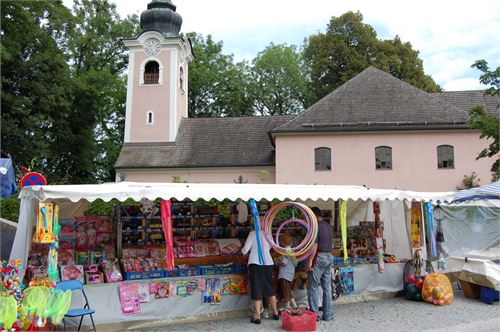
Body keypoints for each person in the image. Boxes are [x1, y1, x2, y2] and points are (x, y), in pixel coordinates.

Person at [242, 224, 279, 324]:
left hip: (255, 263)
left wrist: (241, 252)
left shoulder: (253, 233)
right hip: (268, 263)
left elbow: (245, 249)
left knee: (256, 288)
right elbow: (272, 246)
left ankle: (257, 316)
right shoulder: (268, 234)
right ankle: (275, 313)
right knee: (269, 288)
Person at [307, 206, 334, 321]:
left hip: (320, 257)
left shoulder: (315, 226)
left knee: (313, 285)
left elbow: (315, 245)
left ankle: (314, 315)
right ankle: (328, 315)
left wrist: (309, 261)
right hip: (329, 256)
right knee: (327, 287)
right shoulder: (329, 226)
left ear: (313, 215)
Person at [277, 233, 298, 310]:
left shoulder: (286, 251)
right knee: (288, 290)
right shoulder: (292, 251)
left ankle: (287, 306)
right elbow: (295, 263)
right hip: (290, 274)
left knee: (286, 291)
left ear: (283, 242)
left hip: (284, 274)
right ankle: (294, 305)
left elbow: (284, 263)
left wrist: (278, 262)